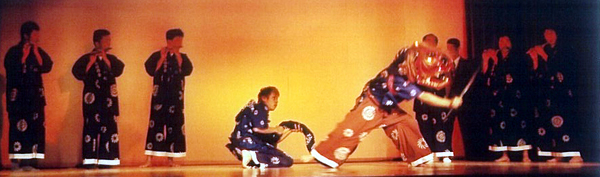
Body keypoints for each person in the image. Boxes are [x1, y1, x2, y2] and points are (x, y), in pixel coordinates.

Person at [311, 42, 462, 168]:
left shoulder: (405, 62)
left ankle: (418, 156)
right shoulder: (399, 79)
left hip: (389, 108)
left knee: (407, 124)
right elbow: (425, 96)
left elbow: (409, 53)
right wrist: (448, 102)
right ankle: (324, 155)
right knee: (350, 129)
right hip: (372, 102)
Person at [527, 28, 583, 163]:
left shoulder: (565, 49)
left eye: (551, 33)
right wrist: (535, 57)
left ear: (557, 34)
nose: (548, 36)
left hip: (563, 93)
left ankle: (575, 154)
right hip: (549, 93)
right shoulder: (546, 49)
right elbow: (539, 71)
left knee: (566, 123)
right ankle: (556, 154)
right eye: (546, 34)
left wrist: (543, 55)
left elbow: (560, 67)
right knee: (550, 124)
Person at [4, 21, 53, 171]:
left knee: (36, 127)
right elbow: (10, 68)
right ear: (26, 35)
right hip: (19, 98)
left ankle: (33, 162)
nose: (38, 37)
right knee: (19, 127)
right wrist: (23, 57)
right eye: (35, 34)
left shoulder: (38, 51)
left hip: (35, 98)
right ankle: (19, 161)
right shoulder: (14, 51)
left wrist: (36, 52)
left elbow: (47, 66)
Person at [72, 29, 125, 168]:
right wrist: (91, 62)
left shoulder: (112, 59)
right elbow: (77, 73)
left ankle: (107, 161)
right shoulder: (86, 58)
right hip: (92, 101)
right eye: (106, 40)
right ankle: (89, 161)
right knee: (91, 129)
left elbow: (118, 70)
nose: (109, 42)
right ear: (97, 42)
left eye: (109, 40)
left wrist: (105, 58)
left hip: (109, 100)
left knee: (109, 129)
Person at [142, 28, 193, 167]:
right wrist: (163, 57)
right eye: (178, 39)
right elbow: (152, 70)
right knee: (155, 124)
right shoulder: (157, 55)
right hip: (159, 95)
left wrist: (177, 56)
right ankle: (148, 159)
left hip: (175, 97)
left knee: (175, 125)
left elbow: (187, 70)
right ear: (170, 40)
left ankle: (171, 160)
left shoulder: (183, 56)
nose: (181, 42)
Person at [482, 36, 532, 162]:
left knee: (519, 125)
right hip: (499, 97)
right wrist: (486, 60)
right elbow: (487, 76)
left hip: (515, 96)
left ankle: (525, 155)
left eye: (506, 41)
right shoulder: (495, 58)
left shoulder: (518, 57)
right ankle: (504, 154)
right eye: (501, 41)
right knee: (500, 125)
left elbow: (524, 75)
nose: (503, 44)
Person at [226, 86, 297, 168]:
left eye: (277, 99)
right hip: (250, 143)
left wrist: (289, 130)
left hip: (241, 144)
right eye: (273, 98)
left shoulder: (253, 111)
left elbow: (273, 139)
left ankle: (251, 158)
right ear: (264, 98)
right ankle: (253, 155)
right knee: (287, 161)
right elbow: (257, 129)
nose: (276, 101)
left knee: (280, 156)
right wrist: (275, 129)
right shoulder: (261, 108)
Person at [414, 34, 455, 162]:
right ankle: (428, 153)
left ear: (436, 44)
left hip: (438, 96)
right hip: (423, 99)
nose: (429, 45)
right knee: (424, 126)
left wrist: (447, 96)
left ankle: (444, 153)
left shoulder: (442, 59)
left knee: (441, 125)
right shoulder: (416, 59)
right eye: (426, 42)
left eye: (431, 42)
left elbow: (448, 78)